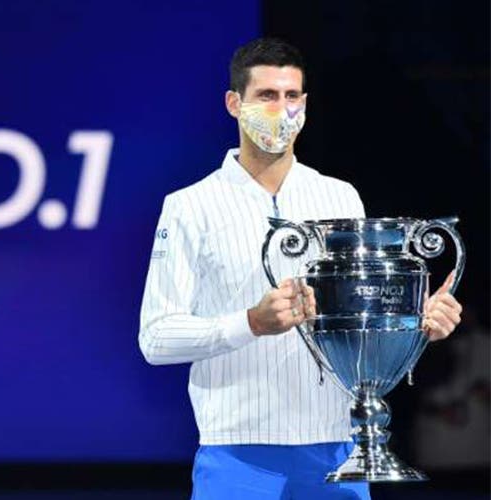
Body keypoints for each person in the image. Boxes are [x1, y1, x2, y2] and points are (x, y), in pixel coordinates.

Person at [138, 37, 464, 499]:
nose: (281, 109)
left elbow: (360, 327)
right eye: (266, 96)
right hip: (236, 456)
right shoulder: (190, 206)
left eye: (291, 96)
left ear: (305, 104)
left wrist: (415, 323)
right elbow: (156, 338)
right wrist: (251, 322)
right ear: (234, 103)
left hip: (338, 449)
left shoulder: (340, 197)